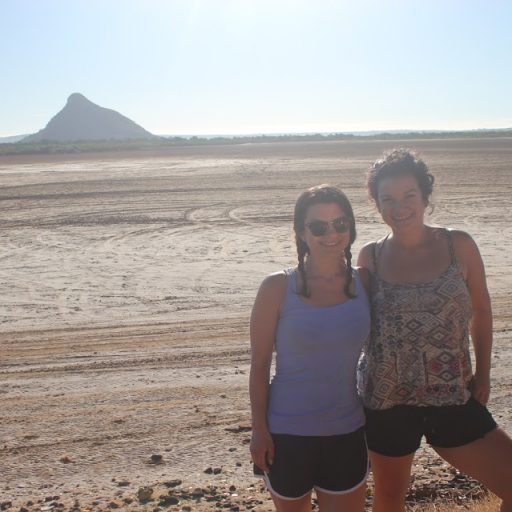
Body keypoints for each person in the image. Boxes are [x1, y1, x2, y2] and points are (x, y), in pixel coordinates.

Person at [357, 148, 512, 512]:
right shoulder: (370, 257)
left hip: (453, 394)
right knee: (390, 498)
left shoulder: (459, 245)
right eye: (388, 199)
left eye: (409, 195)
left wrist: (484, 375)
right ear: (377, 205)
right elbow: (355, 327)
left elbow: (481, 310)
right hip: (387, 400)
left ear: (425, 197)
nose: (399, 207)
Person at [250, 184, 371, 512]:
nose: (331, 234)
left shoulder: (364, 281)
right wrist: (259, 431)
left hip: (347, 430)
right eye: (318, 227)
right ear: (301, 233)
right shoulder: (277, 287)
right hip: (287, 433)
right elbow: (259, 365)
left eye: (340, 224)